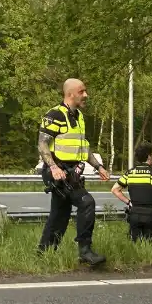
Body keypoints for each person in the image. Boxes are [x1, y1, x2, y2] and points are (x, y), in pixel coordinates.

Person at [36, 78, 110, 265]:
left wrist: (98, 166)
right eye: (82, 91)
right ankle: (85, 251)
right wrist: (53, 168)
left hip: (72, 173)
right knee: (86, 202)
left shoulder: (79, 117)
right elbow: (42, 143)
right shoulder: (55, 114)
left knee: (60, 214)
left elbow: (84, 148)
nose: (86, 95)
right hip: (57, 171)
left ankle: (44, 254)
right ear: (70, 94)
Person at [111, 141, 152, 243]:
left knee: (135, 241)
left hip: (134, 214)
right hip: (151, 215)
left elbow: (115, 190)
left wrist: (129, 202)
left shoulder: (130, 173)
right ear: (149, 156)